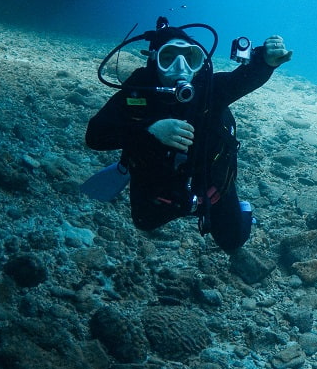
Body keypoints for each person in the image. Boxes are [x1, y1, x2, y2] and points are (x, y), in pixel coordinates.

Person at [85, 18, 291, 251]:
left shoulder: (208, 88)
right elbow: (95, 136)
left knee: (233, 243)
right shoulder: (138, 89)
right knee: (144, 223)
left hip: (211, 185)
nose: (181, 68)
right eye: (169, 58)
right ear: (154, 61)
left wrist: (265, 62)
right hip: (159, 184)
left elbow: (242, 79)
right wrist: (148, 130)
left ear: (198, 61)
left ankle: (244, 209)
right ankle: (127, 169)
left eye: (190, 58)